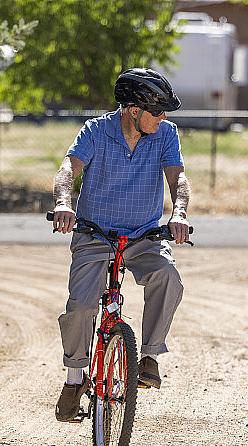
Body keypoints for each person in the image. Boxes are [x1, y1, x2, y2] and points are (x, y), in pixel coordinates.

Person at [50, 67, 191, 422]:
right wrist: (64, 202)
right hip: (95, 234)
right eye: (156, 111)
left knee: (168, 276)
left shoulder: (166, 134)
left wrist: (179, 213)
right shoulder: (96, 131)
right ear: (134, 110)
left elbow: (178, 179)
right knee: (81, 305)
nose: (162, 117)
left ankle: (149, 357)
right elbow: (67, 169)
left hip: (144, 236)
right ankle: (74, 379)